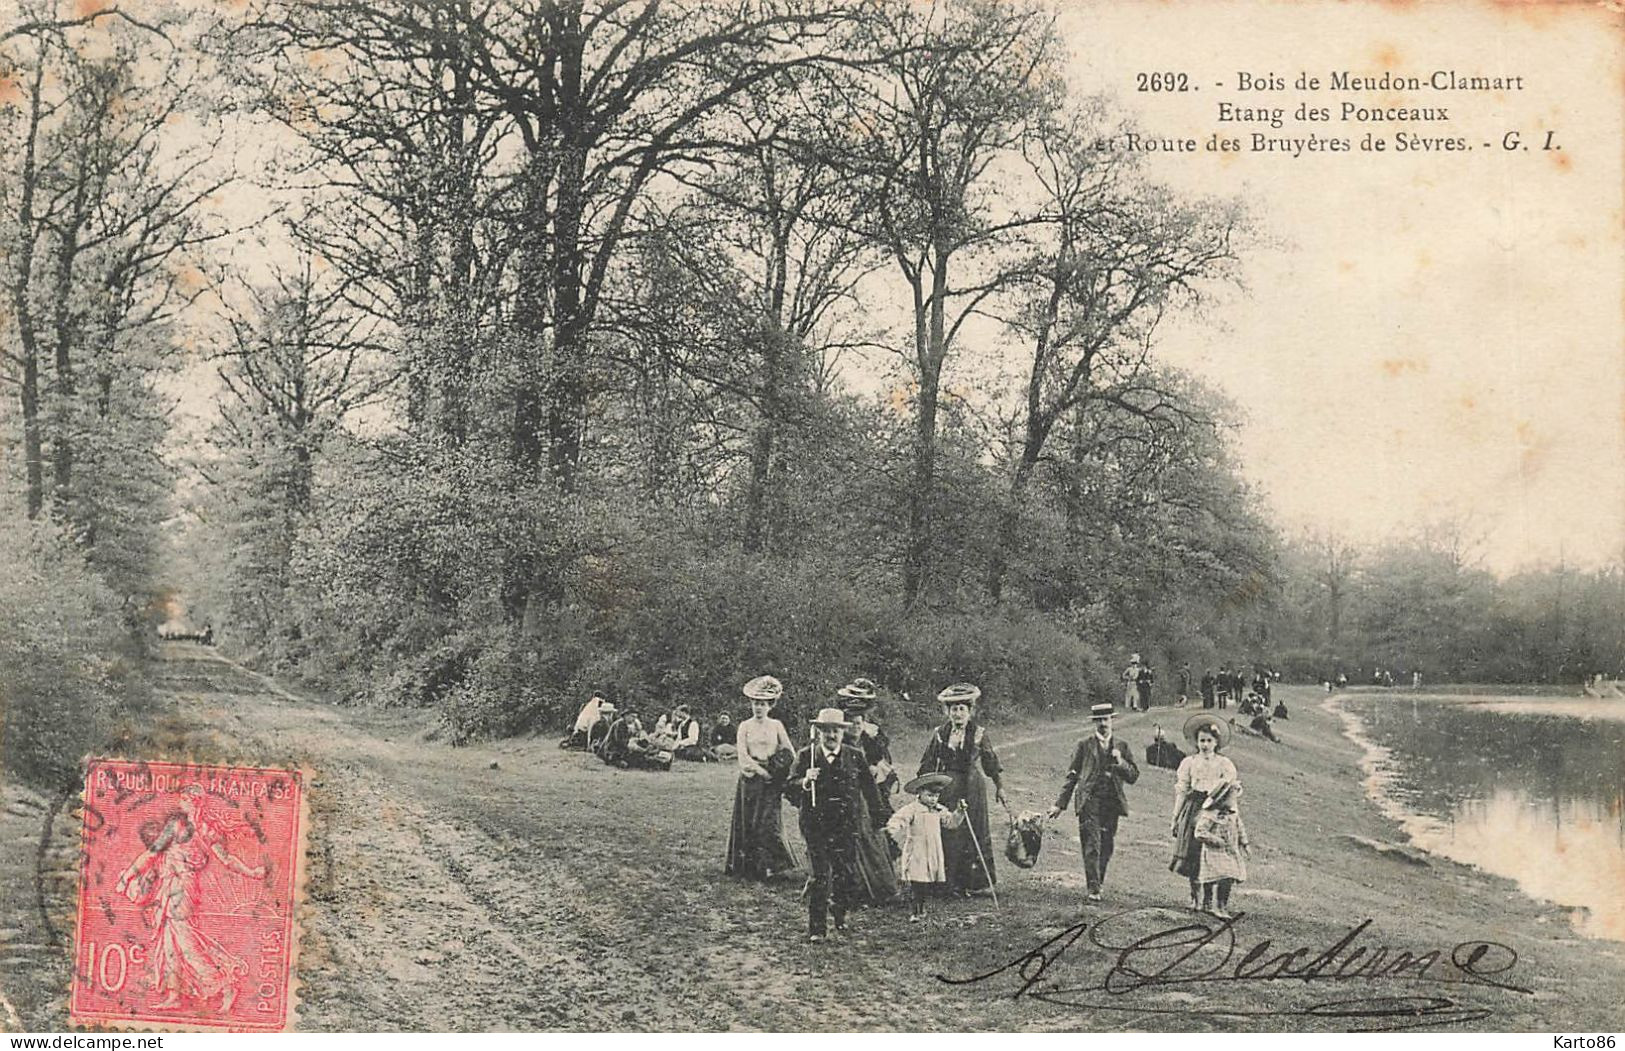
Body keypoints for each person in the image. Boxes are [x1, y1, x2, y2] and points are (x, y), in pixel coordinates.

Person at [114, 785, 264, 1011]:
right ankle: (175, 995)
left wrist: (128, 875)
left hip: (179, 890)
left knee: (185, 942)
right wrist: (251, 872)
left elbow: (152, 854)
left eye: (183, 799)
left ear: (192, 801)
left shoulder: (177, 826)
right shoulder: (206, 829)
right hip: (177, 887)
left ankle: (225, 985)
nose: (180, 804)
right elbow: (227, 860)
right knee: (169, 941)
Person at [784, 707, 886, 942]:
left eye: (836, 731)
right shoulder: (806, 756)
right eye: (826, 731)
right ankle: (817, 929)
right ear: (819, 732)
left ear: (843, 732)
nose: (831, 736)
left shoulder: (855, 755)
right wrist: (804, 781)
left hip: (846, 825)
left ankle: (839, 914)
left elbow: (870, 789)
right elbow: (788, 786)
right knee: (820, 875)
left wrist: (878, 816)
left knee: (845, 874)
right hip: (815, 825)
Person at [917, 683, 1006, 896]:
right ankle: (949, 884)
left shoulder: (979, 734)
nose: (958, 714)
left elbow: (991, 762)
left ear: (970, 711)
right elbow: (928, 761)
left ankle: (973, 883)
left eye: (962, 709)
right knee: (950, 832)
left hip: (973, 787)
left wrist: (1000, 787)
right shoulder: (940, 733)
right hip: (948, 787)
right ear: (948, 712)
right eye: (953, 709)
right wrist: (923, 787)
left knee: (974, 831)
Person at [1049, 702, 1140, 903]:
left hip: (1111, 803)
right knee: (1092, 843)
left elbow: (1133, 776)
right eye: (1099, 720)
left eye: (1106, 719)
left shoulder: (1122, 746)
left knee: (1107, 845)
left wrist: (1120, 763)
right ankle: (1093, 887)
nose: (1103, 724)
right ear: (1094, 723)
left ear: (1112, 721)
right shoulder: (1084, 745)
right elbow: (1071, 776)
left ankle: (1098, 880)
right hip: (1089, 800)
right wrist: (1059, 804)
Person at [1170, 713, 1249, 916]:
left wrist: (1232, 815)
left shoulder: (1224, 764)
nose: (1205, 745)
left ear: (1216, 742)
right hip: (1194, 807)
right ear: (1196, 742)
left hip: (1217, 807)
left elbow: (1230, 792)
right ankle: (1196, 898)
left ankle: (1214, 901)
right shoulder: (1189, 762)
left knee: (1216, 854)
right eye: (1201, 740)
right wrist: (1176, 816)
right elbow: (1182, 789)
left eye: (1209, 741)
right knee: (1194, 853)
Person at [725, 676, 799, 881]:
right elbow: (742, 755)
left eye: (762, 704)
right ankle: (749, 867)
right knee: (749, 821)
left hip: (772, 779)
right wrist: (759, 771)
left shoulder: (776, 725)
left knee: (769, 821)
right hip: (751, 779)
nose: (758, 707)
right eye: (755, 703)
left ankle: (772, 866)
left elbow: (789, 751)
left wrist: (779, 770)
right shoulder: (744, 726)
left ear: (770, 706)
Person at [839, 692, 899, 907]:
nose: (855, 727)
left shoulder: (870, 742)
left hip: (869, 796)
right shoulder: (841, 742)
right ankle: (855, 887)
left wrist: (876, 770)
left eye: (858, 722)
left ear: (863, 723)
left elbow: (884, 764)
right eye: (851, 723)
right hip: (847, 796)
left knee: (872, 836)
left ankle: (878, 885)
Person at [885, 773, 967, 922]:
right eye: (929, 795)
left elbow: (951, 823)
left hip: (933, 849)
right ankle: (916, 910)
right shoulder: (912, 809)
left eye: (936, 796)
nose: (933, 799)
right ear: (920, 794)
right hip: (917, 850)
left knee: (927, 879)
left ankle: (921, 908)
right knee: (918, 880)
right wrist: (892, 829)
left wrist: (959, 811)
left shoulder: (939, 809)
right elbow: (899, 819)